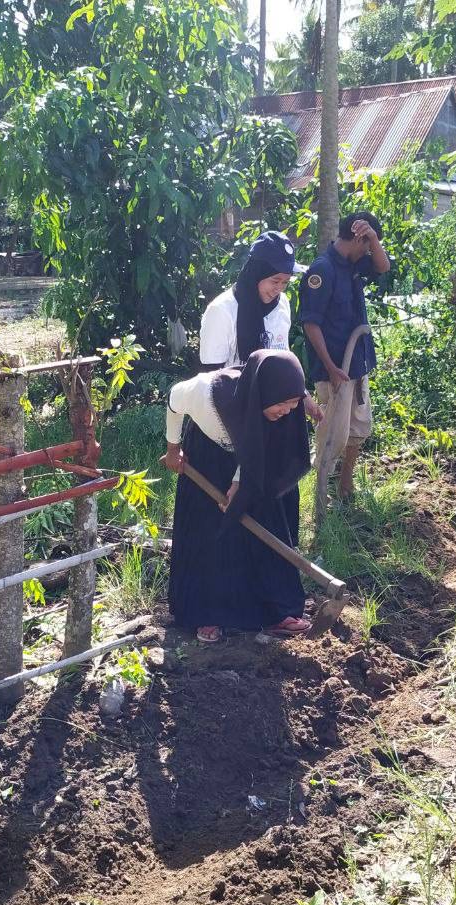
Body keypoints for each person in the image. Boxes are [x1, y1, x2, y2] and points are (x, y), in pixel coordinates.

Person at [161, 350, 317, 644]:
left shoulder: (270, 410)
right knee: (208, 531)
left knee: (268, 520)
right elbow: (173, 399)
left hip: (252, 462)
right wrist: (173, 449)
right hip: (207, 456)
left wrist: (238, 483)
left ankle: (277, 611)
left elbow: (258, 444)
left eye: (293, 406)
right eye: (282, 405)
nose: (286, 412)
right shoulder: (203, 394)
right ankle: (206, 614)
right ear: (263, 393)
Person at [299, 211, 391, 500]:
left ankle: (346, 486)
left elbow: (383, 266)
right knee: (332, 436)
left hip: (357, 364)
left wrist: (374, 240)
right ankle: (320, 494)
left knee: (358, 427)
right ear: (357, 238)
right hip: (334, 371)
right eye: (366, 243)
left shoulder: (354, 264)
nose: (368, 250)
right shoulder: (322, 270)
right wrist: (331, 367)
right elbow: (311, 325)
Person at [199, 230, 306, 369]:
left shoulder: (282, 303)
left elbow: (283, 360)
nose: (279, 288)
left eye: (285, 282)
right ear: (256, 274)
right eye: (275, 281)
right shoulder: (221, 311)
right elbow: (211, 377)